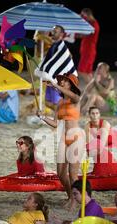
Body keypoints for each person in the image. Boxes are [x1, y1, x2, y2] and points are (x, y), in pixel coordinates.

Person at [37, 73, 82, 211]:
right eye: (60, 81)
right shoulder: (60, 103)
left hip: (76, 138)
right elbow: (56, 124)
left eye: (64, 81)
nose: (61, 82)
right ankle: (70, 196)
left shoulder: (76, 99)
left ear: (71, 85)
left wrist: (55, 85)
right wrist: (43, 117)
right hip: (64, 138)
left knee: (73, 174)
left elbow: (72, 95)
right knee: (61, 173)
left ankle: (74, 202)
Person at [35, 25, 77, 110]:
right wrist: (40, 38)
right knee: (48, 102)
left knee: (56, 102)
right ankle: (61, 115)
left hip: (57, 80)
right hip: (50, 78)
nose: (53, 33)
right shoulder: (53, 45)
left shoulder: (62, 46)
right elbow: (40, 54)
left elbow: (69, 59)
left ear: (61, 34)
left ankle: (62, 117)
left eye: (56, 31)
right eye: (53, 31)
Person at [84, 106, 117, 176]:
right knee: (93, 149)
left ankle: (112, 170)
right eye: (93, 113)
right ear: (89, 115)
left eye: (97, 113)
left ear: (99, 114)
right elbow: (89, 144)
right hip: (98, 148)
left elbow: (102, 144)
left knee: (100, 151)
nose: (95, 116)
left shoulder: (105, 124)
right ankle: (100, 171)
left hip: (110, 144)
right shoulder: (87, 125)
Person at [77, 8, 100, 86]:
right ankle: (94, 90)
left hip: (89, 52)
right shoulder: (90, 23)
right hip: (88, 51)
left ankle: (91, 90)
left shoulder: (93, 25)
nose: (82, 18)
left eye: (83, 16)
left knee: (81, 71)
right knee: (88, 73)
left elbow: (82, 34)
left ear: (88, 15)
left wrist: (71, 34)